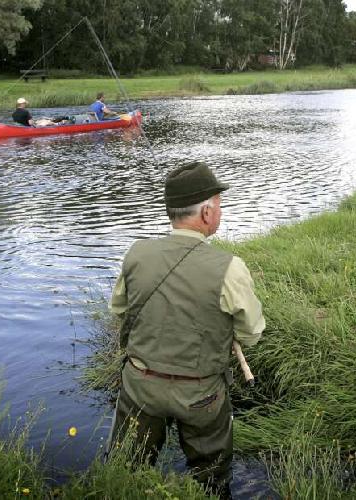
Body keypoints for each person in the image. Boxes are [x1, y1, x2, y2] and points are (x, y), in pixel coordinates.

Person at [108, 162, 265, 499]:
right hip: (201, 395)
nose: (221, 212)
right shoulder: (230, 267)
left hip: (139, 386)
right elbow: (251, 332)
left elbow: (119, 310)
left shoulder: (136, 253)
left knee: (126, 471)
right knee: (212, 482)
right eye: (219, 205)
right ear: (207, 213)